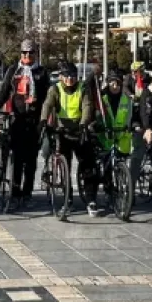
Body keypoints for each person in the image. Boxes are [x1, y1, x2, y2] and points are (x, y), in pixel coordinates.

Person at [40, 61, 99, 216]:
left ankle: (91, 199)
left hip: (79, 129)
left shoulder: (83, 88)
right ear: (61, 77)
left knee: (88, 165)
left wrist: (83, 123)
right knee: (65, 167)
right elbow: (47, 104)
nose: (70, 79)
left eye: (73, 76)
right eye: (66, 76)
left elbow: (87, 106)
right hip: (62, 131)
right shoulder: (55, 89)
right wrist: (43, 120)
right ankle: (68, 200)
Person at [0, 39, 48, 208]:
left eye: (30, 53)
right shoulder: (13, 70)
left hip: (35, 118)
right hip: (17, 118)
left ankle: (27, 193)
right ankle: (15, 192)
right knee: (17, 158)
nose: (27, 56)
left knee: (31, 159)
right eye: (24, 53)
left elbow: (48, 96)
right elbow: (4, 92)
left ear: (35, 54)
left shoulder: (41, 72)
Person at [98, 73, 133, 156]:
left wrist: (131, 126)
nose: (115, 86)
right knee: (107, 161)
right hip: (107, 134)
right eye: (112, 83)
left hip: (122, 134)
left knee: (122, 161)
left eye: (117, 83)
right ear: (107, 83)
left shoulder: (126, 98)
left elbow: (130, 115)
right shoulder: (101, 97)